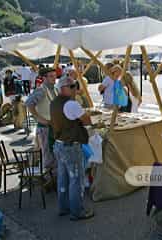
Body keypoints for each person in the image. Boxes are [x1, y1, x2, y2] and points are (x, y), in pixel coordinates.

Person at [51, 76, 94, 221]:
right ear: (64, 88)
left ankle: (64, 208)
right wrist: (85, 115)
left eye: (75, 85)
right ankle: (77, 212)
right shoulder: (71, 104)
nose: (75, 88)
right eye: (72, 86)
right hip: (70, 146)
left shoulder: (54, 102)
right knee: (76, 180)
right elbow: (86, 120)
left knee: (63, 179)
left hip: (59, 144)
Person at [25, 67, 58, 178]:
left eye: (55, 76)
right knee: (48, 156)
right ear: (44, 78)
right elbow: (29, 104)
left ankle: (54, 179)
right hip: (45, 128)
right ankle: (48, 180)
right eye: (51, 76)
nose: (54, 78)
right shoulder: (41, 90)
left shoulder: (55, 89)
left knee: (55, 154)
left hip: (54, 127)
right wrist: (39, 118)